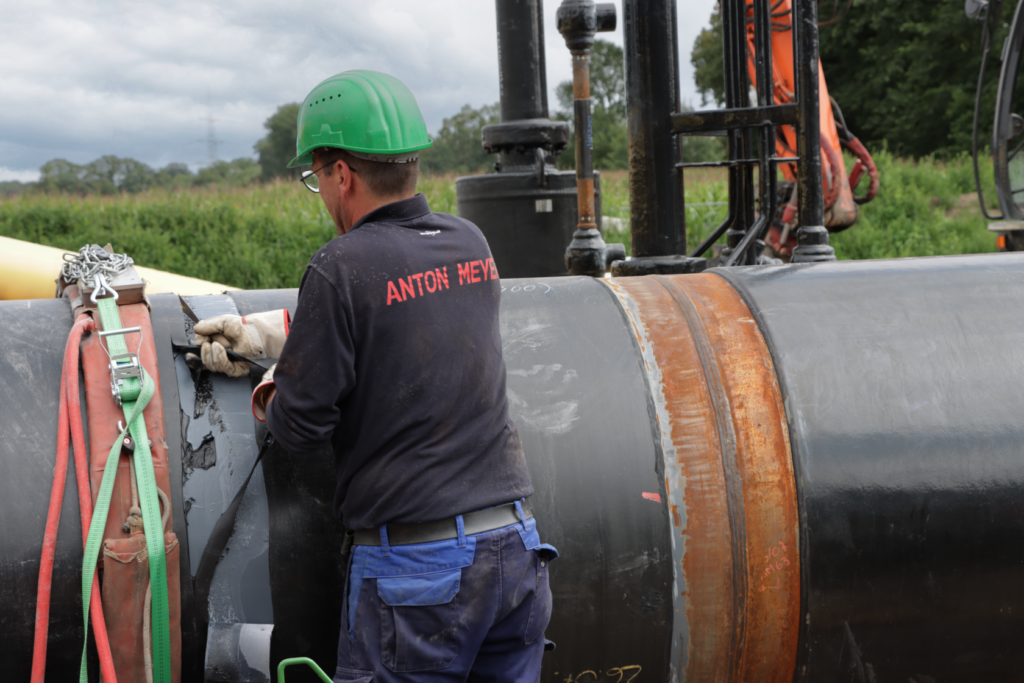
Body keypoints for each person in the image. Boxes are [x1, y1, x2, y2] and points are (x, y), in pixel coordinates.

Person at [192, 70, 556, 683]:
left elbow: (302, 426)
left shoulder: (342, 265)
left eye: (316, 177)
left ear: (342, 173)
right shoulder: (469, 242)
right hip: (517, 556)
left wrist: (275, 378)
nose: (322, 192)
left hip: (420, 577)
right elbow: (411, 324)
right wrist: (282, 332)